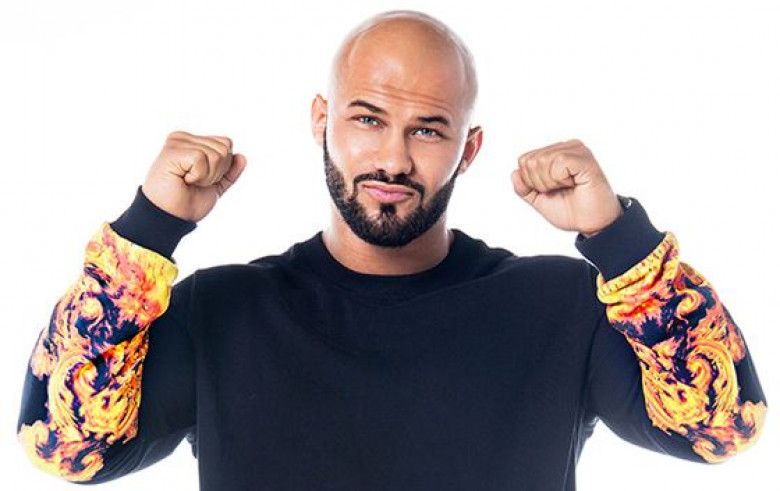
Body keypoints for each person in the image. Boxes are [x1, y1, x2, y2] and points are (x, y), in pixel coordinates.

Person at [16, 9, 768, 491]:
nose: (393, 159)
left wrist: (617, 239)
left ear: (468, 148)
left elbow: (721, 425)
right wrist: (148, 228)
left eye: (427, 130)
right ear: (322, 120)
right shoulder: (222, 310)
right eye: (368, 119)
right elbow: (65, 445)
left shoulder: (559, 305)